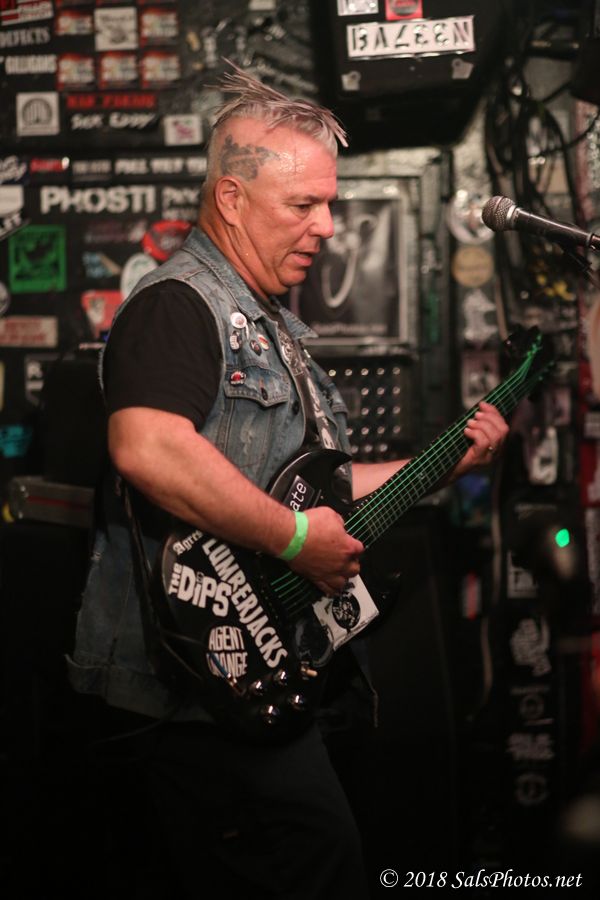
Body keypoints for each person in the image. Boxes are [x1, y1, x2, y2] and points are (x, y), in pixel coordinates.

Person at [68, 65, 508, 899]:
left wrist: (446, 459)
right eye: (303, 205)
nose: (327, 226)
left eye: (328, 204)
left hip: (252, 678)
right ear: (232, 199)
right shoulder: (179, 304)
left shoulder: (267, 320)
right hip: (193, 694)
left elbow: (310, 492)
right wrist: (296, 541)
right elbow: (146, 446)